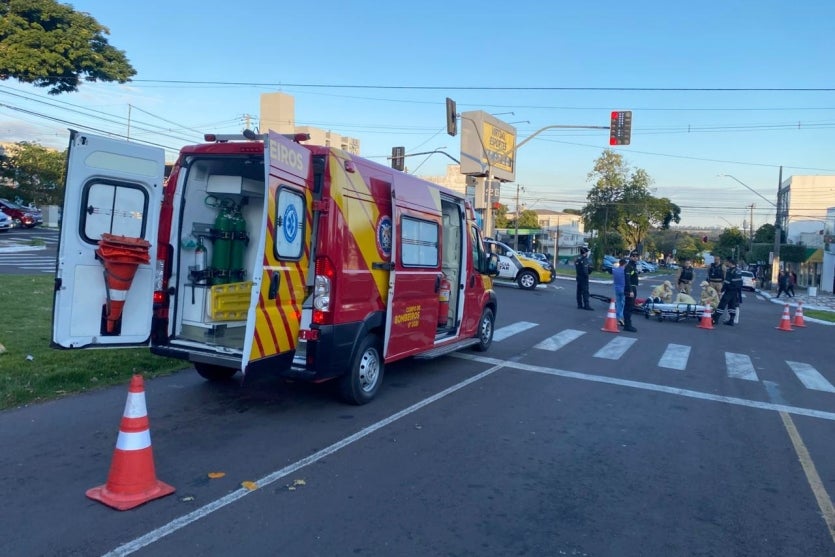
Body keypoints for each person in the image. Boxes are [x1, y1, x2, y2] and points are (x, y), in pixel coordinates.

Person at [713, 258, 743, 326]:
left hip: (729, 291)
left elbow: (726, 282)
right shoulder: (738, 271)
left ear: (730, 263)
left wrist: (721, 291)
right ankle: (731, 320)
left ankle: (715, 319)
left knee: (722, 304)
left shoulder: (730, 271)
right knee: (732, 306)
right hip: (736, 292)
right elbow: (740, 282)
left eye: (727, 262)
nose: (726, 263)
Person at [622, 250, 640, 332]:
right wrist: (630, 291)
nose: (635, 258)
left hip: (633, 288)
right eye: (634, 256)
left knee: (630, 307)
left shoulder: (633, 266)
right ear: (630, 257)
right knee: (628, 307)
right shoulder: (629, 266)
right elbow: (627, 279)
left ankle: (628, 324)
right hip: (630, 288)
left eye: (637, 256)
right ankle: (627, 325)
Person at [575, 246, 593, 310]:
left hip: (578, 277)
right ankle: (586, 305)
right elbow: (586, 270)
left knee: (579, 292)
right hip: (584, 278)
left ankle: (579, 305)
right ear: (585, 253)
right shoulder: (585, 260)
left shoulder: (577, 259)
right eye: (587, 252)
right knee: (585, 292)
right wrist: (589, 271)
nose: (588, 253)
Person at [612, 258, 627, 326]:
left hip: (616, 288)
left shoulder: (615, 270)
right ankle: (621, 318)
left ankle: (617, 318)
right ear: (624, 264)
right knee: (623, 304)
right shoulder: (624, 271)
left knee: (618, 304)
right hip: (623, 288)